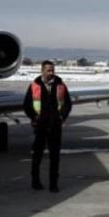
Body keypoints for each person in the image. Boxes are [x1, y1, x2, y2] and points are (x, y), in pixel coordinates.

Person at [23, 61, 72, 192]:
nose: (51, 73)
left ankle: (53, 184)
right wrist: (34, 117)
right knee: (37, 155)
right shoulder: (34, 86)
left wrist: (62, 116)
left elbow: (67, 104)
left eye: (52, 70)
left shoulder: (60, 85)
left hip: (55, 125)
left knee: (55, 157)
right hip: (40, 126)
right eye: (48, 70)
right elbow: (27, 104)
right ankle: (35, 181)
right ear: (42, 71)